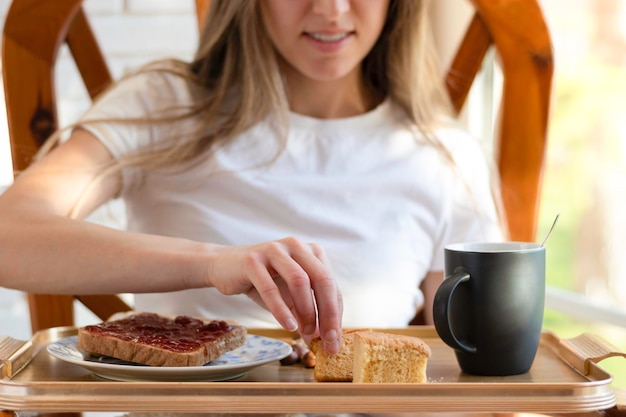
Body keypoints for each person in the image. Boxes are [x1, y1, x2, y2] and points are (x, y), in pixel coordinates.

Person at [0, 0, 502, 354]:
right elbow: (9, 238)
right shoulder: (165, 105)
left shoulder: (444, 156)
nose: (331, 9)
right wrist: (213, 262)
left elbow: (475, 361)